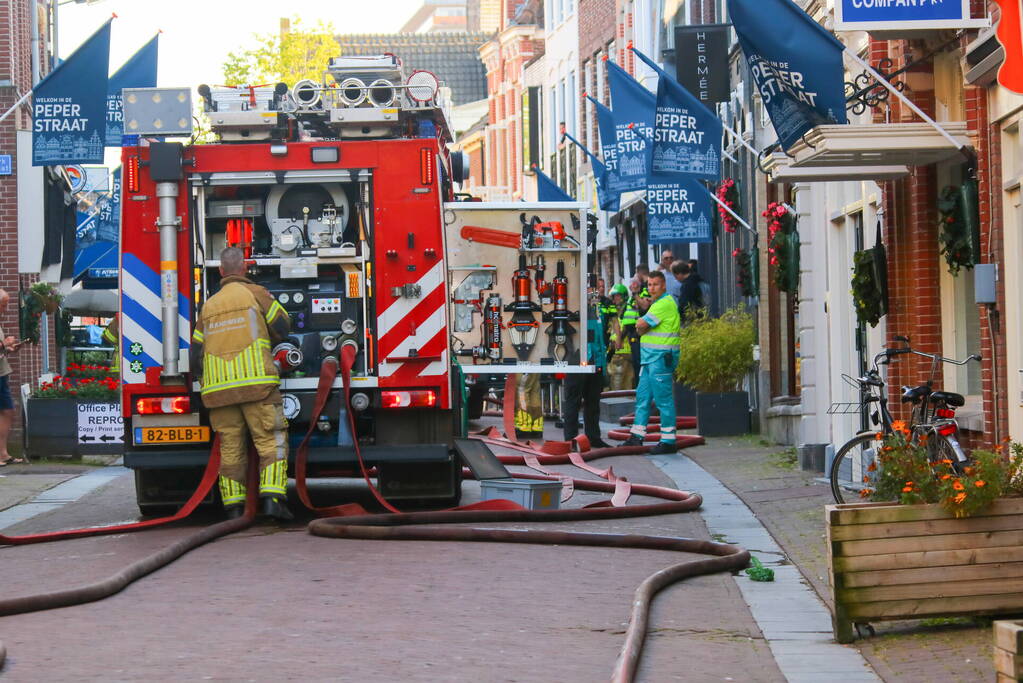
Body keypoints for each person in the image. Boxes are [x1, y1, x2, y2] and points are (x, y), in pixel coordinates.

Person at [190, 247, 294, 520]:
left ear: (221, 271)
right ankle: (273, 501)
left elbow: (195, 352)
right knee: (271, 442)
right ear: (246, 268)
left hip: (219, 391)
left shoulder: (209, 305)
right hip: (257, 386)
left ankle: (234, 509)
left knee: (230, 448)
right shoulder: (256, 294)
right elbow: (283, 326)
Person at [623, 271, 681, 454]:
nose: (651, 288)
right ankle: (637, 436)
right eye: (649, 284)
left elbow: (640, 325)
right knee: (642, 398)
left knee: (663, 400)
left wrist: (642, 326)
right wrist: (642, 325)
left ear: (663, 285)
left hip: (660, 358)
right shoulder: (657, 304)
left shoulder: (664, 304)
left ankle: (668, 441)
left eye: (655, 284)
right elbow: (639, 326)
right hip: (650, 359)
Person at [562, 283, 611, 448]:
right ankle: (571, 440)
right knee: (573, 401)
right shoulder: (573, 307)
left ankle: (593, 438)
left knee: (593, 402)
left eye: (596, 289)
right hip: (577, 360)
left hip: (596, 360)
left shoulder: (598, 308)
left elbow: (599, 336)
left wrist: (601, 363)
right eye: (591, 289)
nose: (594, 292)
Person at [0, 290, 23, 466]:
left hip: (2, 373)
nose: (5, 309)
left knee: (8, 411)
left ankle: (3, 453)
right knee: (7, 411)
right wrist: (5, 344)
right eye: (4, 305)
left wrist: (7, 348)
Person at [606, 283, 635, 390]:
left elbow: (626, 328)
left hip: (625, 352)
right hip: (614, 353)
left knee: (626, 384)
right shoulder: (613, 313)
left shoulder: (628, 310)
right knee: (615, 384)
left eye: (618, 295)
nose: (616, 298)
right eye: (614, 296)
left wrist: (619, 340)